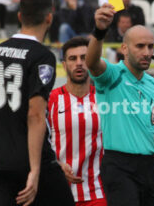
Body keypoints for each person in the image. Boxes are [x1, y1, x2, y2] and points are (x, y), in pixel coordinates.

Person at [85, 3, 154, 206]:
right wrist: (100, 31)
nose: (147, 52)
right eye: (140, 46)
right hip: (118, 164)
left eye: (150, 46)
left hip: (148, 165)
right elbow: (92, 62)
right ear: (124, 48)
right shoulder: (113, 74)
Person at [0, 0, 74, 206]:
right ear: (49, 18)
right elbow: (35, 114)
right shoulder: (42, 56)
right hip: (28, 160)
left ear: (20, 16)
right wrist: (35, 170)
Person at [48, 37, 106, 206]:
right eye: (73, 59)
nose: (79, 63)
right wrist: (56, 164)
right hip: (57, 192)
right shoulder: (50, 100)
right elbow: (36, 142)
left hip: (97, 193)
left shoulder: (105, 99)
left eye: (84, 58)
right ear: (64, 65)